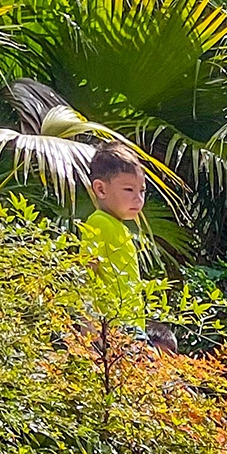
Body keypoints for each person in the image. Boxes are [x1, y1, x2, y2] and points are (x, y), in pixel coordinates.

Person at [79, 139, 150, 337]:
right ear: (101, 189)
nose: (138, 199)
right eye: (129, 190)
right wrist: (90, 331)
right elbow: (86, 277)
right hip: (116, 328)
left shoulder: (120, 227)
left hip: (131, 327)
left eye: (142, 191)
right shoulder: (98, 222)